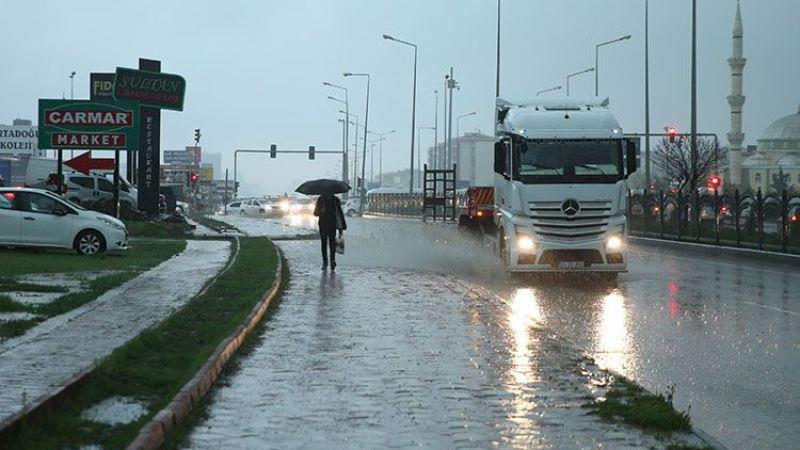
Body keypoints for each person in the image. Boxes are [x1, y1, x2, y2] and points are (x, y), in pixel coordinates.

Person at [314, 192, 346, 270]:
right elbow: (316, 213)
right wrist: (321, 210)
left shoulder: (333, 200)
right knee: (326, 244)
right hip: (325, 225)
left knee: (330, 243)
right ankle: (327, 261)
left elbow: (338, 214)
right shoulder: (322, 199)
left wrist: (340, 228)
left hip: (330, 225)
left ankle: (330, 261)